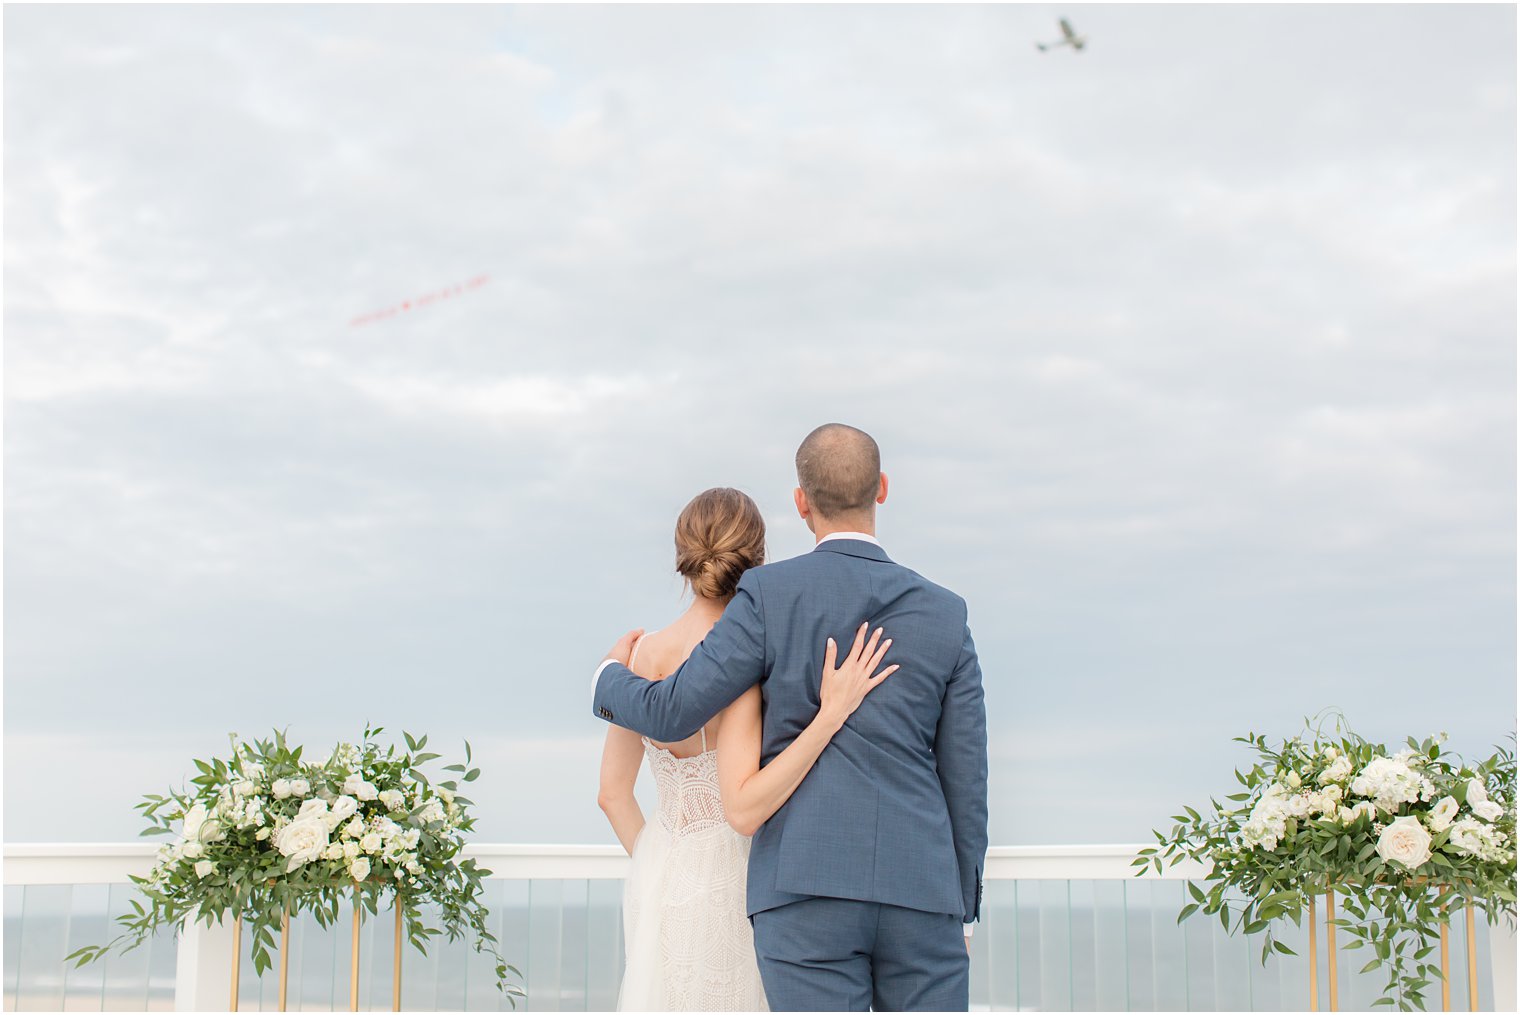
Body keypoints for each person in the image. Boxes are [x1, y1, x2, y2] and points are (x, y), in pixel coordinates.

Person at [593, 424, 989, 1012]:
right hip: (922, 894)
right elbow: (966, 779)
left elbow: (675, 708)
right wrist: (961, 906)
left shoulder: (769, 596)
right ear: (882, 488)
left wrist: (608, 675)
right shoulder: (945, 613)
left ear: (801, 501)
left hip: (803, 896)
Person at [597, 486, 897, 1011]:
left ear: (683, 558)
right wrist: (830, 716)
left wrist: (662, 861)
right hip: (745, 876)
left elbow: (612, 795)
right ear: (757, 556)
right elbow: (750, 801)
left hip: (663, 875)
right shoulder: (749, 656)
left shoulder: (638, 655)